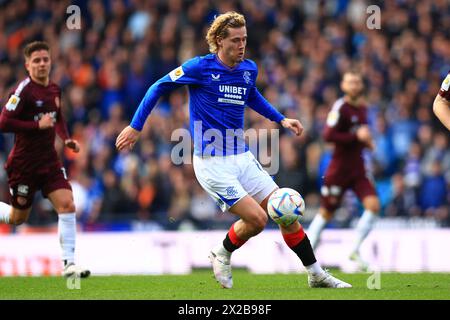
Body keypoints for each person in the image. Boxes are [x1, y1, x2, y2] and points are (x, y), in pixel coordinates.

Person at [116, 12, 351, 289]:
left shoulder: (248, 69)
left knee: (284, 211)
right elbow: (158, 86)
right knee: (258, 219)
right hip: (212, 163)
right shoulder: (199, 68)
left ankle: (315, 273)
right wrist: (136, 126)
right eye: (236, 40)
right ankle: (222, 252)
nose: (242, 45)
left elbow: (251, 95)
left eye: (245, 39)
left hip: (241, 156)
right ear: (219, 41)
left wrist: (280, 118)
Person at [0, 41, 90, 278]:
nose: (42, 64)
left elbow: (57, 117)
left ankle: (69, 265)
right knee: (17, 218)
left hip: (49, 162)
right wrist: (35, 125)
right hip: (24, 165)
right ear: (27, 65)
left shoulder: (54, 89)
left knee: (68, 204)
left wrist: (66, 138)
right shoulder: (22, 91)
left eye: (45, 59)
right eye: (36, 61)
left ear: (50, 61)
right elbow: (4, 122)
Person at [307, 71, 380, 271]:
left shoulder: (364, 109)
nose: (354, 85)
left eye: (357, 81)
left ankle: (355, 250)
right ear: (343, 86)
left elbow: (360, 135)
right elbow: (328, 135)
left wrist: (368, 143)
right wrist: (356, 136)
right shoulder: (340, 107)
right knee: (326, 212)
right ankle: (307, 249)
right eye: (350, 82)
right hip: (338, 170)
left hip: (358, 169)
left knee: (373, 205)